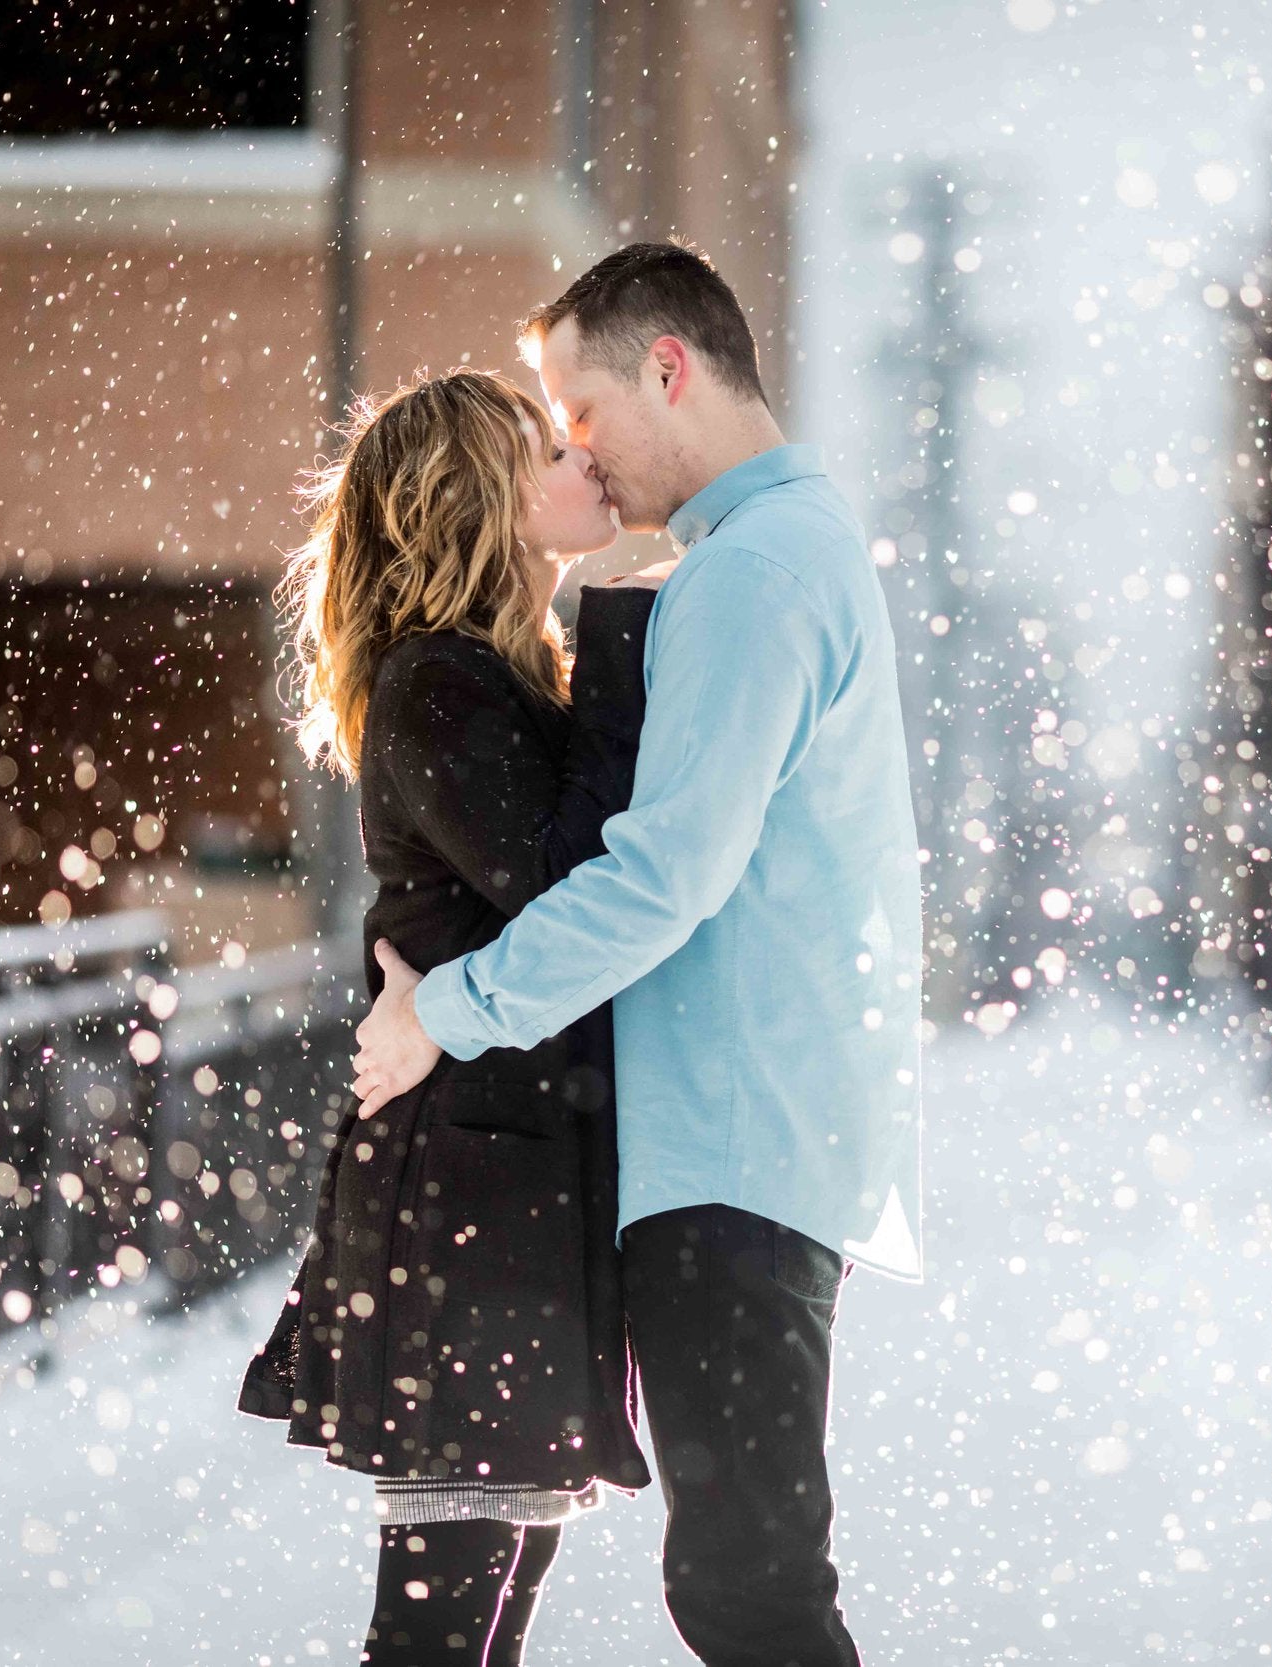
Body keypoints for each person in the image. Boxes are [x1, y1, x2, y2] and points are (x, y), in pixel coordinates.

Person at [347, 242, 924, 1667]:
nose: (583, 451)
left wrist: (452, 1009)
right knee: (735, 1580)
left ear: (667, 367)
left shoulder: (747, 576)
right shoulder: (769, 556)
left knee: (746, 1587)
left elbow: (661, 873)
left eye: (581, 408)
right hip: (728, 1136)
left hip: (730, 1141)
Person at [239, 368, 660, 1664]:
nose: (583, 459)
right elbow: (581, 876)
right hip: (469, 1209)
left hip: (501, 1189)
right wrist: (625, 639)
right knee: (437, 1636)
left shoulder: (490, 677)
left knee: (483, 1614)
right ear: (482, 497)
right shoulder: (441, 684)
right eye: (549, 448)